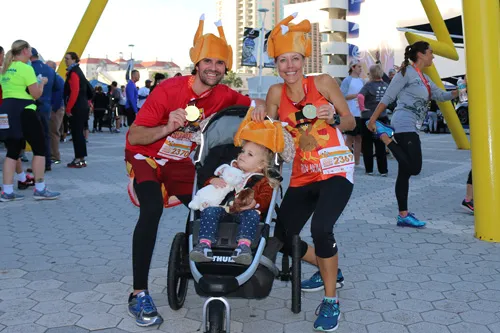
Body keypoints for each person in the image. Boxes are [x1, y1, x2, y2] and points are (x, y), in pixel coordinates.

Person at [124, 14, 263, 327]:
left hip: (180, 164)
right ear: (196, 63)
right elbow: (134, 136)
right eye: (207, 61)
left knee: (210, 203)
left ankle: (206, 260)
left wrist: (264, 105)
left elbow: (254, 106)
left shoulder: (224, 95)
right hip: (147, 158)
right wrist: (166, 126)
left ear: (225, 69)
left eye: (219, 63)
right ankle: (138, 293)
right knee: (151, 211)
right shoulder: (168, 90)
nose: (213, 68)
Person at [252, 13, 356, 332]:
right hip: (303, 173)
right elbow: (269, 136)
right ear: (277, 64)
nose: (290, 66)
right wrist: (256, 108)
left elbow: (352, 121)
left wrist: (334, 118)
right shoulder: (274, 94)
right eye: (283, 60)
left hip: (336, 168)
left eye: (295, 59)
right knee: (281, 237)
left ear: (303, 59)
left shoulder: (322, 82)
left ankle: (330, 300)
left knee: (322, 228)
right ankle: (329, 269)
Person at [367, 41, 458, 228]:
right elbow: (388, 97)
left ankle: (403, 215)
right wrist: (373, 120)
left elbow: (442, 95)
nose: (433, 56)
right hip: (403, 122)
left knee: (405, 172)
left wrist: (464, 91)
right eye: (431, 52)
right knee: (414, 167)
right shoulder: (405, 72)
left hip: (411, 125)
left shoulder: (423, 78)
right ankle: (385, 136)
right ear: (421, 54)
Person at [190, 116, 283, 265]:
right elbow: (210, 186)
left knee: (252, 215)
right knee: (209, 211)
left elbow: (265, 198)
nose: (242, 155)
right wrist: (212, 180)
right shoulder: (229, 170)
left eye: (249, 154)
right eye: (242, 151)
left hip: (244, 211)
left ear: (260, 165)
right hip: (223, 209)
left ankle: (243, 247)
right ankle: (204, 245)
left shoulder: (261, 180)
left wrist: (255, 203)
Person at [0, 40, 60, 201]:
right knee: (39, 148)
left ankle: (6, 191)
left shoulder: (4, 69)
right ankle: (40, 188)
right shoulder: (26, 68)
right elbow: (35, 94)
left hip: (6, 110)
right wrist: (41, 83)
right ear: (25, 51)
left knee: (12, 151)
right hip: (25, 110)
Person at [358, 65, 389, 175]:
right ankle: (383, 170)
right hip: (382, 117)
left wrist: (362, 108)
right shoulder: (386, 85)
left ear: (371, 73)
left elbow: (360, 96)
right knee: (381, 144)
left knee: (367, 145)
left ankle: (369, 169)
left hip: (367, 117)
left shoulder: (368, 85)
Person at [64, 51, 92, 168]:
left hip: (77, 107)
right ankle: (81, 158)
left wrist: (68, 108)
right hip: (82, 106)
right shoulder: (77, 71)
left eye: (68, 59)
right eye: (65, 59)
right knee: (79, 133)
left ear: (74, 60)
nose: (66, 61)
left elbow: (74, 92)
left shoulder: (74, 73)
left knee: (77, 133)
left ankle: (78, 159)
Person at [30, 47, 56, 171]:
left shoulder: (29, 68)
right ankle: (47, 162)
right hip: (46, 105)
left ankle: (38, 165)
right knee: (46, 135)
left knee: (35, 136)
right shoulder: (50, 70)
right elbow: (58, 88)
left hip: (34, 105)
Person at [340, 60, 364, 166]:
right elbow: (343, 95)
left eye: (361, 67)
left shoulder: (362, 81)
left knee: (359, 137)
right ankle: (348, 159)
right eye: (358, 66)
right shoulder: (347, 80)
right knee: (349, 137)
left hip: (360, 113)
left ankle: (357, 161)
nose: (360, 68)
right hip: (350, 113)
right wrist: (356, 95)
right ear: (353, 68)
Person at [46, 60, 65, 164]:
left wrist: (54, 108)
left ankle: (55, 156)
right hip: (53, 107)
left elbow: (59, 95)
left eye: (47, 67)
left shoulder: (57, 79)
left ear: (53, 68)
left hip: (55, 108)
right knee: (50, 132)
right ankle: (51, 154)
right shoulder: (52, 78)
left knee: (53, 132)